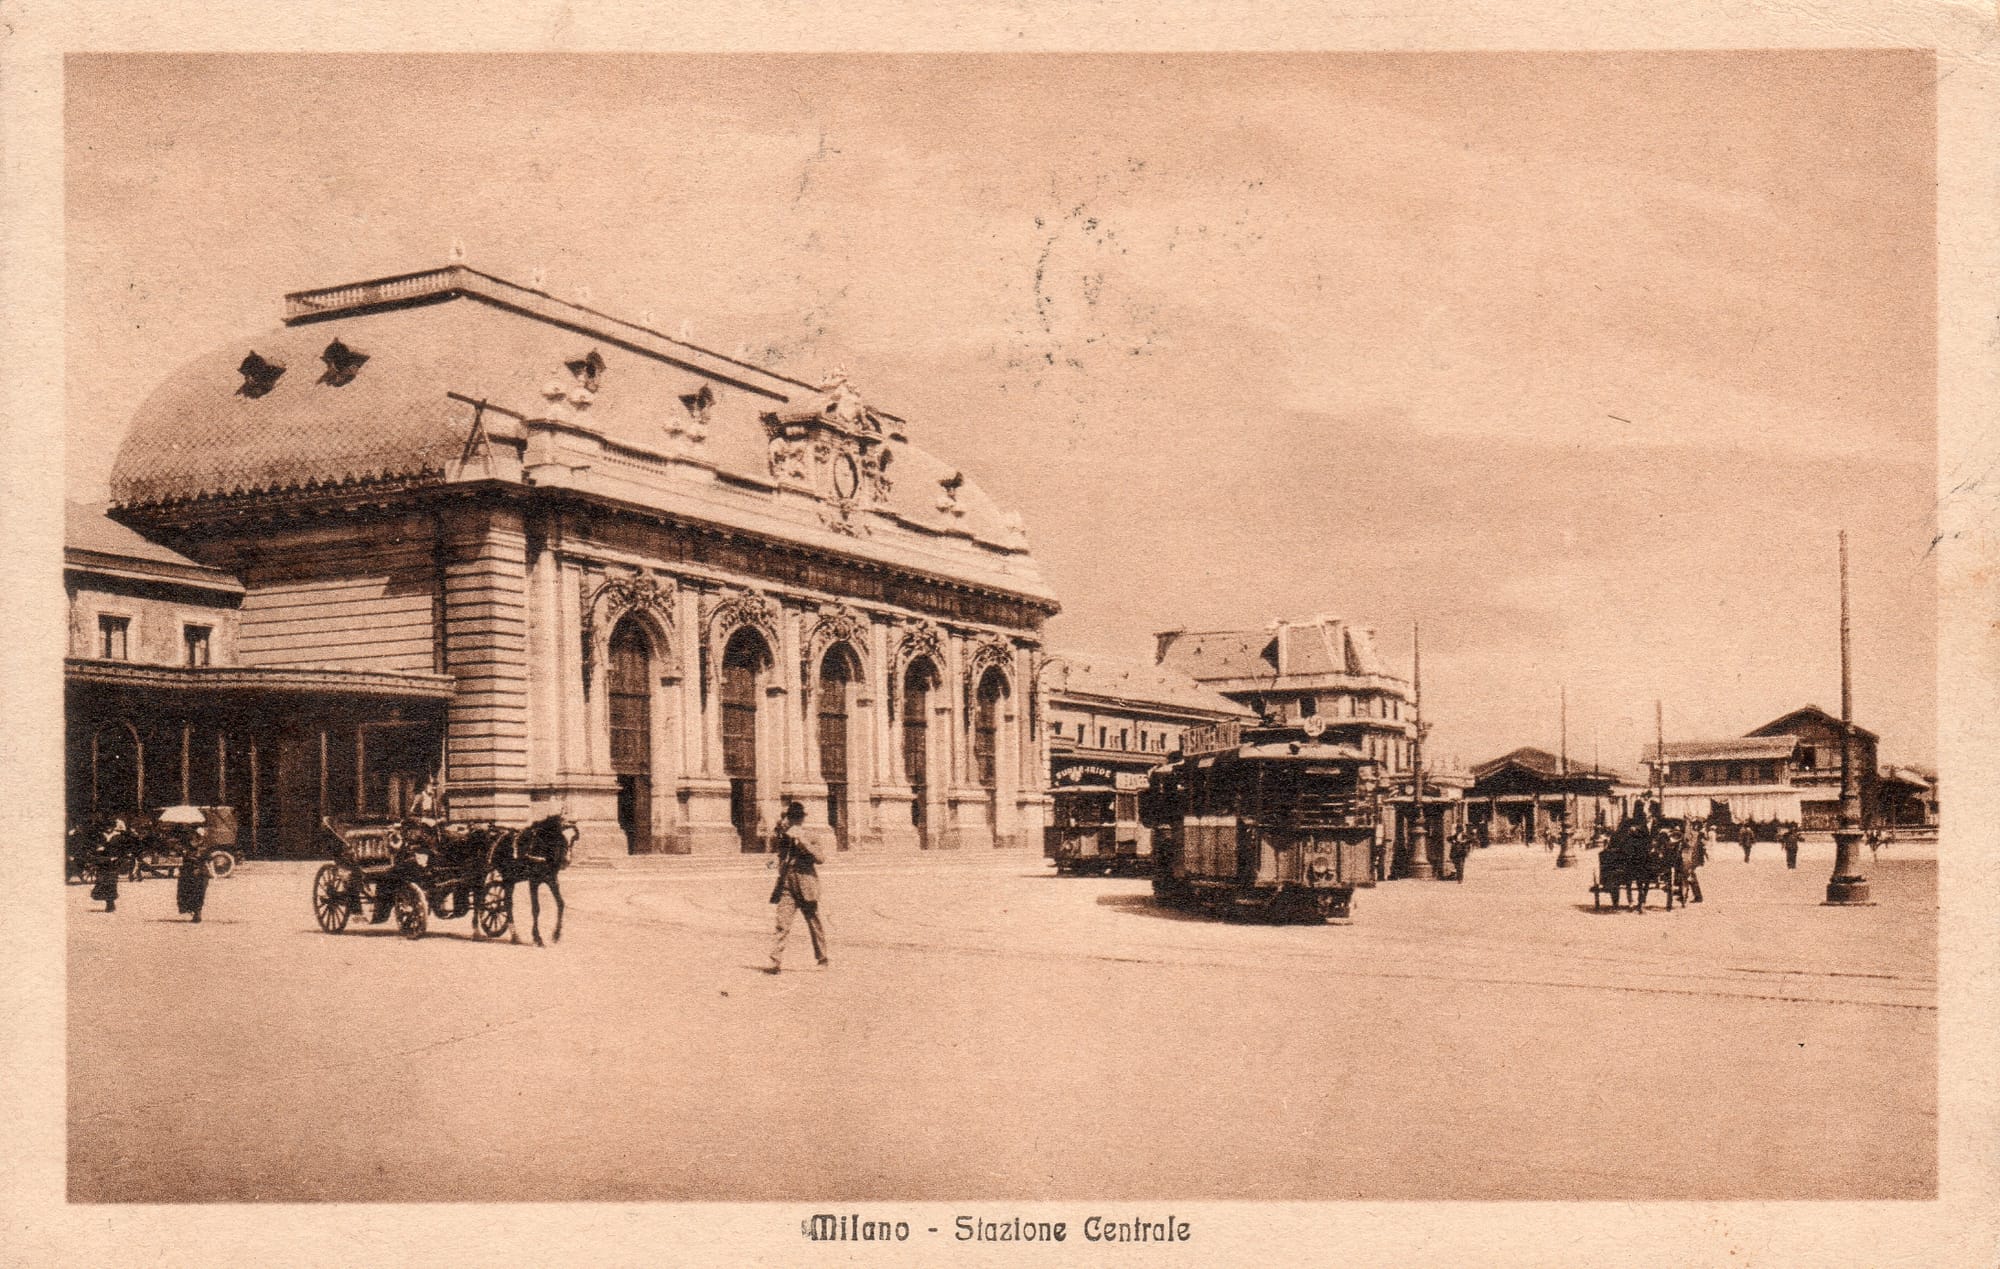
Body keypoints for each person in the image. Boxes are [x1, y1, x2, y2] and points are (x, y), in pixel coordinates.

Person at [765, 801, 829, 974]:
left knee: (814, 922)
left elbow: (820, 858)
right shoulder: (785, 837)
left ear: (801, 820)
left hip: (806, 884)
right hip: (787, 884)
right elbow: (780, 855)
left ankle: (822, 958)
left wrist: (802, 840)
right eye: (790, 818)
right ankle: (775, 962)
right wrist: (774, 861)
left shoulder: (812, 836)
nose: (793, 822)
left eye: (795, 818)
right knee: (782, 923)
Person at [161, 806, 211, 923]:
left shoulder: (190, 838)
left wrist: (185, 851)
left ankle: (196, 911)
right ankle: (196, 911)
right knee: (195, 891)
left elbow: (200, 853)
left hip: (193, 868)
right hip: (196, 868)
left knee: (193, 890)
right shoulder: (192, 838)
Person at [87, 819, 129, 912]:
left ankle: (110, 904)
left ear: (113, 827)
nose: (108, 829)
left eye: (110, 827)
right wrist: (98, 850)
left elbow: (124, 849)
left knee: (111, 882)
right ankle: (108, 902)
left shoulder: (118, 837)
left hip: (113, 864)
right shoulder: (100, 836)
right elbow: (94, 848)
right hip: (102, 862)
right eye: (106, 827)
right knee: (101, 881)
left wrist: (119, 857)